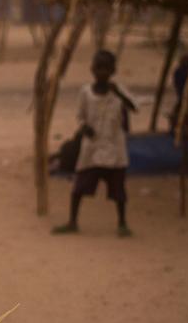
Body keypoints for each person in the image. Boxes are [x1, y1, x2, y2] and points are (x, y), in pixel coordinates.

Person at [53, 50, 137, 237]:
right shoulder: (85, 92)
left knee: (118, 190)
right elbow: (80, 116)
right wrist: (84, 128)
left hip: (115, 148)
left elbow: (134, 107)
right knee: (79, 187)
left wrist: (118, 94)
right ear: (92, 69)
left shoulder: (119, 91)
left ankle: (122, 223)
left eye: (106, 68)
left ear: (113, 70)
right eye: (98, 68)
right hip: (92, 148)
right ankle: (72, 221)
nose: (102, 72)